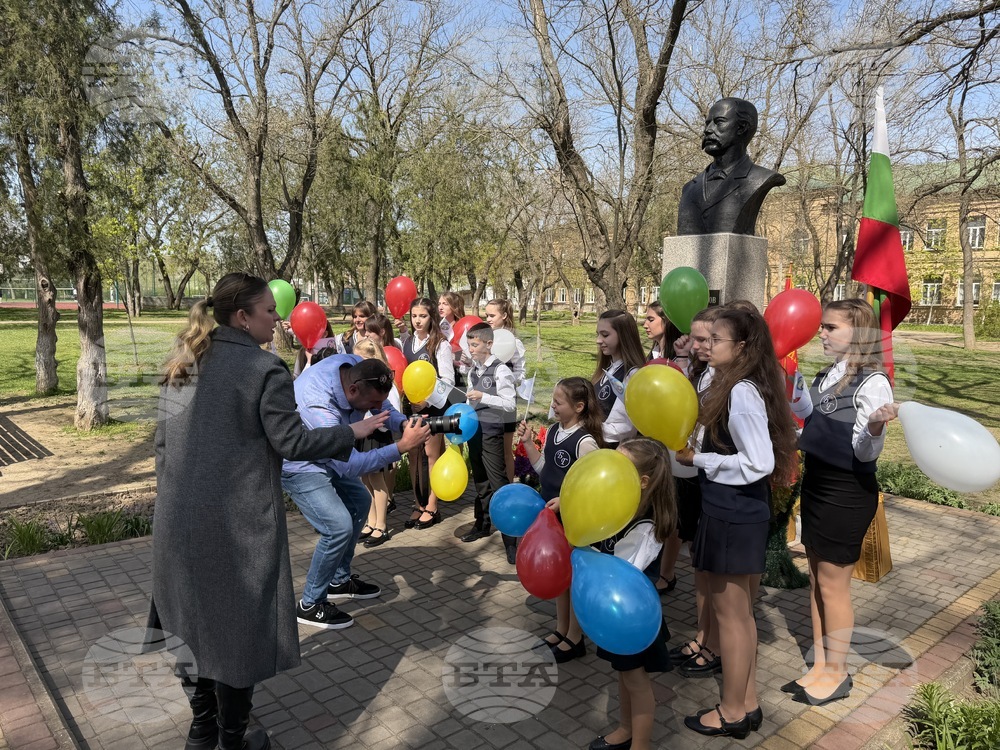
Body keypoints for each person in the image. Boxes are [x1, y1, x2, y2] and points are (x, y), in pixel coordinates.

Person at [150, 272, 388, 750]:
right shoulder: (264, 370)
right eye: (268, 310)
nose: (277, 317)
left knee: (193, 623)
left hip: (176, 523)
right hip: (238, 529)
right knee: (239, 635)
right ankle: (231, 738)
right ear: (243, 317)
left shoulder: (186, 360)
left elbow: (161, 446)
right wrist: (354, 433)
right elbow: (294, 442)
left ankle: (201, 731)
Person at [675, 308, 798, 739]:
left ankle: (731, 711)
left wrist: (700, 459)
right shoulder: (739, 385)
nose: (706, 346)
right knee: (740, 616)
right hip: (735, 510)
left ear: (741, 347)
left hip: (733, 512)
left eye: (716, 340)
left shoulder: (741, 392)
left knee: (733, 618)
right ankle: (747, 703)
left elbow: (759, 462)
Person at [781, 299, 895, 706]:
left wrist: (877, 426)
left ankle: (838, 672)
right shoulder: (827, 373)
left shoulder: (872, 382)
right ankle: (820, 663)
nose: (822, 334)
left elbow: (865, 453)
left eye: (831, 328)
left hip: (846, 492)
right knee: (816, 579)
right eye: (822, 327)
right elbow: (813, 425)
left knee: (834, 586)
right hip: (817, 483)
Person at [281, 354, 431, 629]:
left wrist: (400, 424)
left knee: (360, 502)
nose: (375, 409)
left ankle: (338, 579)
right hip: (302, 463)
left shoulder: (356, 365)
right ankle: (310, 604)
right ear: (352, 391)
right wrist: (401, 447)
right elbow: (352, 465)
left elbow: (383, 403)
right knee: (337, 526)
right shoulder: (319, 405)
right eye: (371, 404)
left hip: (330, 454)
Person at [584, 438, 677, 750]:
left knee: (637, 682)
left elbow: (624, 570)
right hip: (616, 613)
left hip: (632, 617)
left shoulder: (646, 525)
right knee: (624, 675)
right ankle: (625, 730)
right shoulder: (622, 505)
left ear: (643, 481)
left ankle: (641, 745)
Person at [517, 376, 604, 662]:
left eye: (558, 402)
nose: (552, 405)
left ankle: (575, 638)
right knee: (561, 577)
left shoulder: (586, 442)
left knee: (573, 577)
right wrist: (530, 444)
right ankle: (561, 629)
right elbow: (546, 470)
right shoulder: (554, 431)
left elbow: (593, 488)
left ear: (579, 407)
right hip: (552, 518)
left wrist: (566, 501)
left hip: (573, 520)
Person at [664, 307, 724, 674]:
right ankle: (703, 636)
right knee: (700, 565)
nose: (699, 345)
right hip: (697, 474)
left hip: (715, 479)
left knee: (712, 570)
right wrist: (686, 358)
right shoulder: (703, 372)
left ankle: (714, 645)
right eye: (696, 338)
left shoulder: (732, 382)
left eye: (707, 340)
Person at [676, 98, 786, 236]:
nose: (708, 130)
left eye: (719, 122)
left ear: (742, 128)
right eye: (707, 123)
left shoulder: (759, 179)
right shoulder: (689, 188)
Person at [462, 323, 518, 562]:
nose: (471, 349)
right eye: (469, 344)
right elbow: (468, 400)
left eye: (475, 345)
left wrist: (484, 396)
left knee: (498, 483)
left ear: (489, 344)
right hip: (474, 431)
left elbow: (510, 404)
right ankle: (482, 524)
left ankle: (511, 540)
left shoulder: (500, 370)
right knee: (480, 480)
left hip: (491, 433)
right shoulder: (472, 371)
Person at [402, 297, 456, 530]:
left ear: (432, 317)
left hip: (434, 409)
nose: (417, 321)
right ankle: (418, 503)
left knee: (431, 456)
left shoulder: (440, 345)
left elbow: (448, 381)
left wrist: (427, 400)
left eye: (422, 316)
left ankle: (432, 506)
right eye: (414, 316)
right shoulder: (405, 342)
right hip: (411, 409)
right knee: (413, 455)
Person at [353, 339, 403, 548]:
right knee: (365, 478)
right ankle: (370, 521)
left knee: (376, 479)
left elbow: (392, 411)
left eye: (361, 360)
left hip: (378, 434)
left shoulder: (384, 384)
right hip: (363, 431)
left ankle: (381, 524)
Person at [484, 298, 525, 482]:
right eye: (486, 315)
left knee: (506, 448)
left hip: (506, 401)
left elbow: (520, 372)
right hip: (485, 400)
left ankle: (509, 486)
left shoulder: (513, 343)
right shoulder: (485, 340)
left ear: (505, 316)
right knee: (489, 447)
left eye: (492, 315)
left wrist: (505, 379)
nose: (488, 319)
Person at [592, 310, 646, 448]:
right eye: (597, 334)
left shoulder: (633, 375)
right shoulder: (607, 369)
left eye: (605, 335)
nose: (598, 340)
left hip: (613, 452)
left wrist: (586, 428)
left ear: (623, 336)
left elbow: (624, 427)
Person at [439, 292, 470, 388]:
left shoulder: (463, 328)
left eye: (445, 304)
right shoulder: (436, 327)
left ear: (455, 307)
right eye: (439, 303)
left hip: (459, 378)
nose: (440, 307)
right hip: (438, 375)